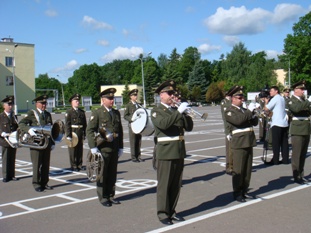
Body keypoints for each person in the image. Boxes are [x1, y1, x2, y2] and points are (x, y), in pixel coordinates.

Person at [151, 80, 193, 225]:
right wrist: (179, 112)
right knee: (165, 184)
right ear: (161, 95)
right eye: (169, 93)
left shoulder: (175, 110)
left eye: (173, 93)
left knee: (176, 184)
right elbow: (164, 124)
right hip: (166, 152)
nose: (172, 96)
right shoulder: (156, 111)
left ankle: (172, 210)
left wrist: (186, 113)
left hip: (179, 151)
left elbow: (189, 127)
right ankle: (163, 213)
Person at [86, 88, 124, 207]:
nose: (112, 101)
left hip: (114, 147)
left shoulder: (116, 113)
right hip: (103, 148)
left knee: (112, 174)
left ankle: (111, 195)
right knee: (102, 174)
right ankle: (103, 197)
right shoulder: (97, 113)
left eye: (113, 98)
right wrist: (93, 147)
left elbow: (120, 131)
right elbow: (90, 130)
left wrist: (121, 147)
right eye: (109, 98)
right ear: (103, 100)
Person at [224, 86, 258, 202]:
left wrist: (253, 113)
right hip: (239, 142)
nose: (242, 99)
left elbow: (255, 122)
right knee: (239, 169)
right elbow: (238, 121)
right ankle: (237, 192)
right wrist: (249, 112)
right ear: (233, 98)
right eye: (239, 97)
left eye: (242, 97)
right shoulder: (229, 111)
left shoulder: (244, 110)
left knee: (247, 169)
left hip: (248, 140)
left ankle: (245, 190)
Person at [19, 95, 54, 192]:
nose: (44, 105)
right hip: (36, 143)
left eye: (45, 103)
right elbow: (21, 123)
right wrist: (29, 129)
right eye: (42, 103)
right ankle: (36, 183)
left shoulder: (47, 114)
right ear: (37, 104)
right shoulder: (32, 113)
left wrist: (53, 142)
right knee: (37, 164)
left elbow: (50, 129)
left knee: (46, 164)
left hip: (46, 143)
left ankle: (44, 182)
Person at [287, 80, 311, 184]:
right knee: (297, 154)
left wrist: (306, 105)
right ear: (295, 90)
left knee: (303, 154)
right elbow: (296, 110)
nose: (303, 91)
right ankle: (296, 175)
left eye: (303, 89)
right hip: (297, 129)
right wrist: (307, 103)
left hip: (306, 128)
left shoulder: (303, 101)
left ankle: (301, 174)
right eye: (301, 89)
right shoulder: (291, 101)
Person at [264, 86, 289, 165]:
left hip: (277, 123)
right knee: (284, 143)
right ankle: (285, 160)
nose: (270, 92)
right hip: (284, 123)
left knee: (276, 143)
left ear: (276, 91)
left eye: (271, 91)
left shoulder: (276, 98)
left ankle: (276, 160)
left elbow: (266, 109)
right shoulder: (282, 98)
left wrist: (266, 102)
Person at [65, 93, 87, 171]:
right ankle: (73, 165)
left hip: (80, 131)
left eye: (78, 100)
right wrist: (68, 135)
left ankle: (79, 164)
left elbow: (84, 124)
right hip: (73, 131)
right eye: (76, 100)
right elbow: (67, 124)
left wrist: (85, 133)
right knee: (73, 149)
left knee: (80, 149)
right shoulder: (69, 112)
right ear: (72, 102)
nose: (77, 102)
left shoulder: (81, 112)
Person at [0, 96, 19, 182]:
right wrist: (1, 133)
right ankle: (5, 175)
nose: (11, 106)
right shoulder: (1, 116)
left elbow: (17, 127)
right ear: (4, 106)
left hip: (13, 140)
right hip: (5, 140)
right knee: (5, 158)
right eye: (9, 104)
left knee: (12, 158)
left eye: (12, 104)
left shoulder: (14, 116)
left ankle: (12, 175)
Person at [123, 89, 143, 163]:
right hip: (132, 125)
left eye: (136, 95)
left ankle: (139, 156)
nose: (136, 96)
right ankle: (134, 157)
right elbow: (125, 116)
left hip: (139, 126)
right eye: (134, 95)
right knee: (133, 141)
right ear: (130, 96)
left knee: (139, 141)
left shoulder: (139, 105)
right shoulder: (128, 105)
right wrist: (131, 119)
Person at [220, 86, 236, 175]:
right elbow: (225, 118)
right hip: (228, 128)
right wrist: (227, 131)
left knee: (234, 149)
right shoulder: (224, 102)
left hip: (234, 128)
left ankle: (233, 165)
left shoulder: (230, 102)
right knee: (229, 150)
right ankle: (229, 167)